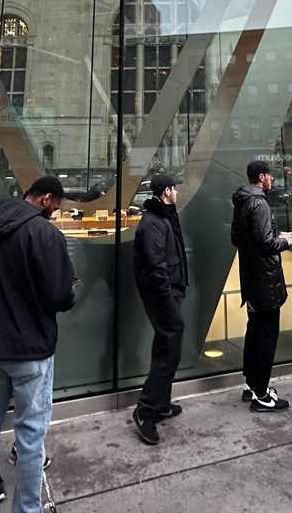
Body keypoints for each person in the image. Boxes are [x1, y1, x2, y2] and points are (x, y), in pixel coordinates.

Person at [0, 176, 76, 513]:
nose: (55, 213)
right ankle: (27, 508)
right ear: (46, 199)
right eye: (55, 207)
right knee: (30, 435)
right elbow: (58, 296)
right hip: (30, 347)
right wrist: (71, 291)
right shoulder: (45, 233)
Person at [232, 160, 292, 411]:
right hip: (265, 279)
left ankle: (252, 385)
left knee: (255, 331)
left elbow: (237, 237)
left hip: (251, 276)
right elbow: (265, 243)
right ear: (261, 177)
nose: (272, 180)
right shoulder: (259, 203)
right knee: (266, 336)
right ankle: (261, 395)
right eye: (270, 175)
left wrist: (267, 240)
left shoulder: (242, 201)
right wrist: (284, 241)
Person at [132, 174, 189, 444]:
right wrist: (168, 297)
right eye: (174, 188)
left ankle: (161, 403)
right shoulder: (153, 222)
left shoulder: (164, 216)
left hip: (171, 292)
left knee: (168, 348)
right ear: (166, 191)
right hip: (162, 296)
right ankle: (146, 411)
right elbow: (156, 267)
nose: (176, 192)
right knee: (168, 349)